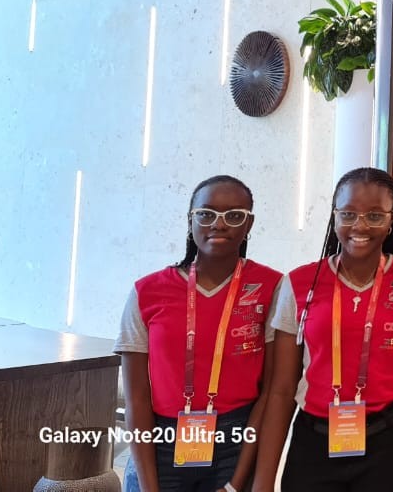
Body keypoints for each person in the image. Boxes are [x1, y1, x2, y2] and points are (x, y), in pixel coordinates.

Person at [253, 167, 393, 492]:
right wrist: (263, 482)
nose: (360, 226)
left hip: (391, 444)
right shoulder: (299, 283)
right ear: (334, 217)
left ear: (392, 220)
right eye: (348, 214)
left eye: (375, 216)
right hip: (315, 444)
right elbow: (281, 389)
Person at [115, 175, 282, 492]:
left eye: (234, 215)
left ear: (249, 224)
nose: (218, 224)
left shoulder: (271, 287)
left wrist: (236, 483)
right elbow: (136, 397)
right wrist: (149, 487)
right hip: (159, 442)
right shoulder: (146, 291)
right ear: (190, 220)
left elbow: (272, 389)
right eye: (206, 214)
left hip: (237, 441)